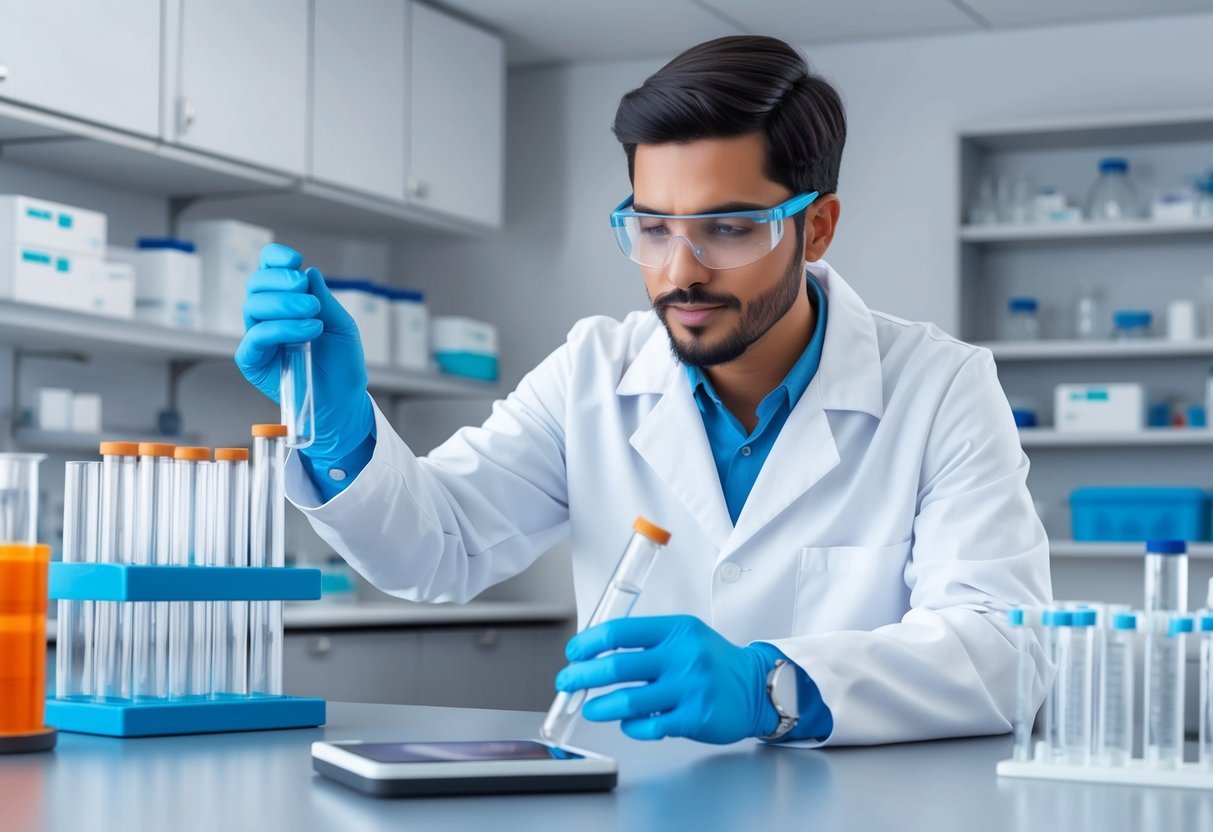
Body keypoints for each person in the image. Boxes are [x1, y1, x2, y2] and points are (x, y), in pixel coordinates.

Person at [237, 35, 1051, 747]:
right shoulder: (591, 371)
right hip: (638, 801)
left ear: (818, 227)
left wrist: (774, 686)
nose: (679, 270)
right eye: (653, 227)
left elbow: (1003, 652)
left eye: (728, 228)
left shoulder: (939, 388)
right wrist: (336, 429)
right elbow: (436, 549)